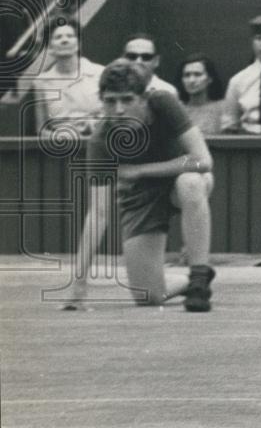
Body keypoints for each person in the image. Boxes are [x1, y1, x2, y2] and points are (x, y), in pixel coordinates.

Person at [64, 60, 216, 311]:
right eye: (110, 101)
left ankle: (199, 278)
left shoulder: (164, 103)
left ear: (144, 98)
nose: (119, 109)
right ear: (101, 101)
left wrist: (139, 170)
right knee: (148, 297)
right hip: (141, 197)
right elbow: (98, 213)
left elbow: (203, 161)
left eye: (127, 100)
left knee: (191, 182)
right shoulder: (101, 141)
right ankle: (186, 282)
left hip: (181, 182)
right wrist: (79, 283)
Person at [176, 52, 226, 135]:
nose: (191, 80)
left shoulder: (223, 108)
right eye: (187, 75)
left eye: (197, 74)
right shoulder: (177, 109)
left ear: (210, 78)